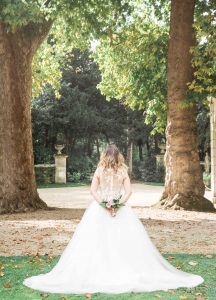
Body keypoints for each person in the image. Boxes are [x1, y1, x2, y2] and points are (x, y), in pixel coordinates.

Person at [23, 143, 204, 294]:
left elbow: (93, 191)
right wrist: (118, 204)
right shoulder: (123, 170)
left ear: (104, 156)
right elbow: (129, 192)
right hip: (121, 210)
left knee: (94, 242)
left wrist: (104, 203)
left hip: (99, 209)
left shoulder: (100, 169)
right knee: (125, 242)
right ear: (119, 156)